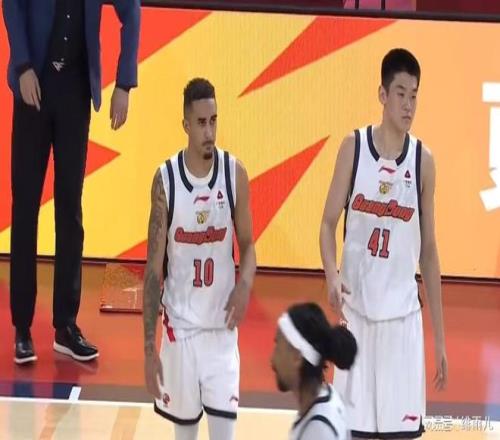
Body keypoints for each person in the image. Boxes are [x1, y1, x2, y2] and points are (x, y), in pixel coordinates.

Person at [319, 48, 448, 439]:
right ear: (382, 94)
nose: (409, 105)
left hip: (402, 325)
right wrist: (331, 275)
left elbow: (429, 252)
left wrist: (440, 338)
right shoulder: (353, 148)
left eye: (414, 96)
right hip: (357, 319)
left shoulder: (423, 161)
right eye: (401, 94)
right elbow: (327, 224)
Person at [2, 0, 140, 364]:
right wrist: (22, 65)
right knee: (26, 208)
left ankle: (65, 325)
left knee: (70, 210)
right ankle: (22, 328)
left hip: (75, 93)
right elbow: (12, 5)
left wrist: (124, 83)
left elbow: (131, 10)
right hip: (33, 85)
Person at [143, 78, 256, 440]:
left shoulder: (234, 174)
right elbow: (152, 273)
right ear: (186, 125)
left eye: (214, 121)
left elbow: (248, 245)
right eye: (202, 123)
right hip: (180, 332)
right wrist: (148, 348)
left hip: (221, 331)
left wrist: (245, 284)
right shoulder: (165, 181)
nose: (209, 132)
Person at [271, 302, 357, 439]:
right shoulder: (326, 399)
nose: (272, 360)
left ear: (297, 357)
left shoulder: (318, 429)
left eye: (278, 347)